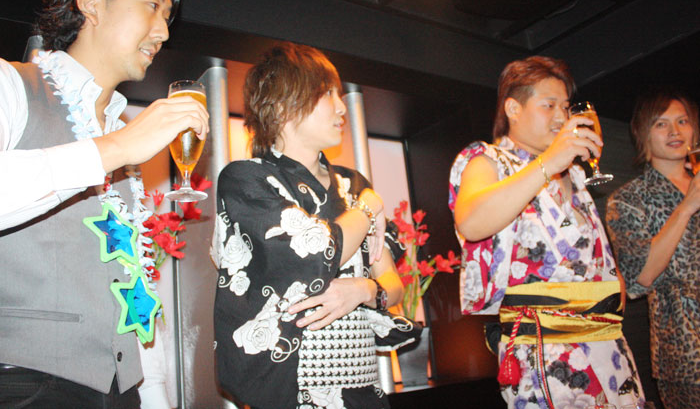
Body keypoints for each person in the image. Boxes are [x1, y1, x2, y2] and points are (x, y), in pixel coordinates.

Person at [0, 0, 209, 407]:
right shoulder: (11, 84)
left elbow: (133, 288)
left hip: (120, 391)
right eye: (152, 6)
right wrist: (116, 147)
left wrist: (152, 395)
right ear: (91, 3)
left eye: (168, 17)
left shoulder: (122, 138)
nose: (163, 32)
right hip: (24, 383)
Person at [211, 42, 417, 409]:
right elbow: (317, 251)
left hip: (362, 384)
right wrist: (370, 206)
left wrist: (364, 289)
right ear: (281, 105)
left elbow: (393, 284)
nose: (341, 107)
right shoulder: (246, 179)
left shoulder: (353, 184)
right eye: (327, 94)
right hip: (290, 389)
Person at [448, 56, 644, 408]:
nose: (561, 117)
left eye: (565, 107)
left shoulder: (575, 174)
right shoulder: (488, 159)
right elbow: (472, 222)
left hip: (608, 344)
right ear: (513, 108)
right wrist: (548, 162)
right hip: (544, 351)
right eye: (548, 105)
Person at [606, 90, 700, 409]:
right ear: (643, 134)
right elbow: (641, 276)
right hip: (687, 349)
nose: (675, 131)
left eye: (682, 121)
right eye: (661, 124)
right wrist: (687, 207)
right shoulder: (628, 199)